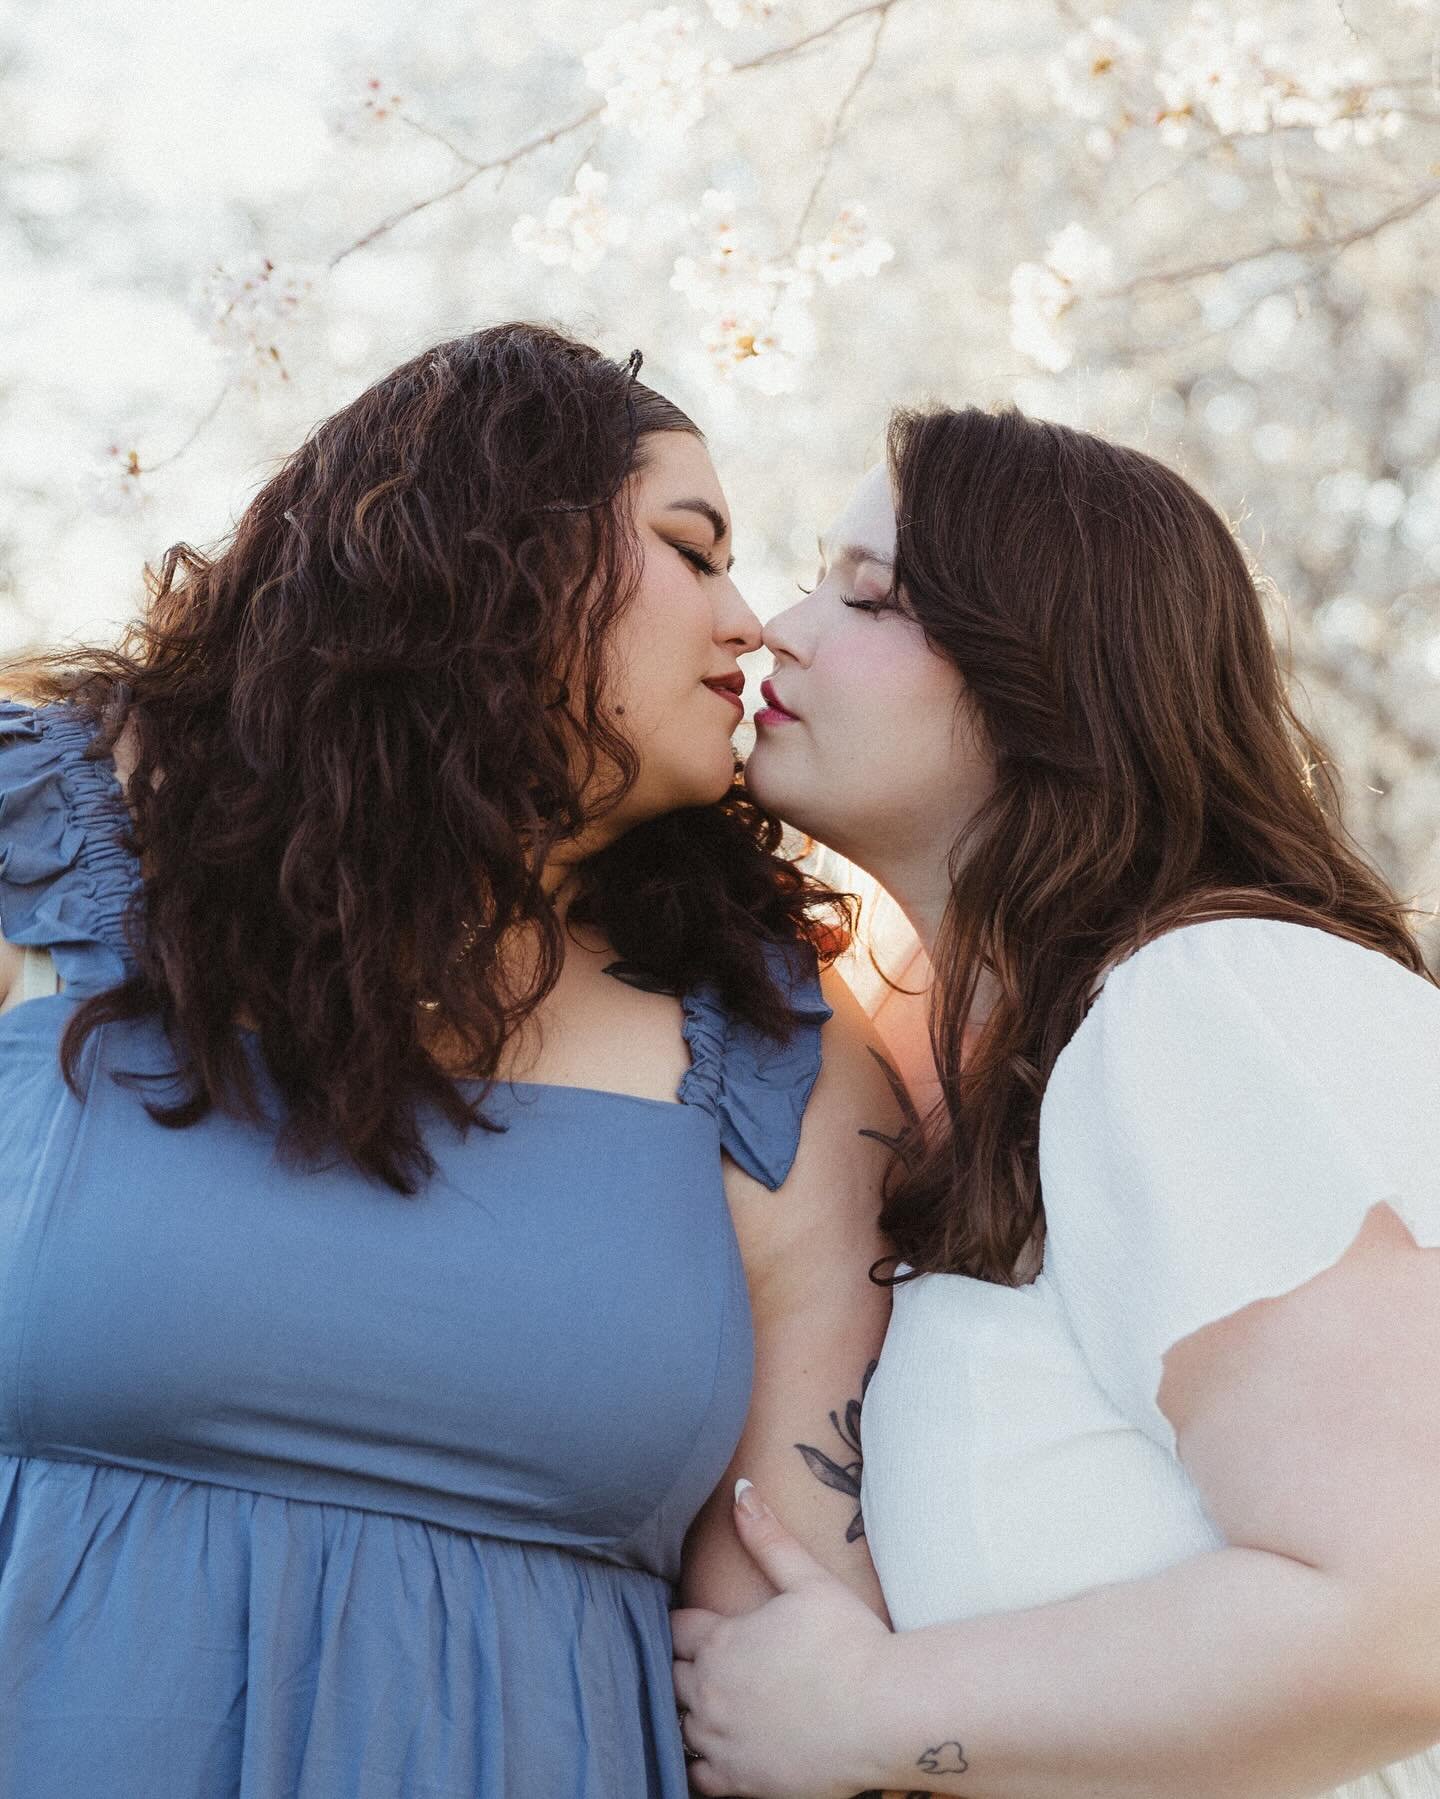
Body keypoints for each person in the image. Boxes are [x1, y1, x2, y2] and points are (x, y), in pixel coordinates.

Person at [0, 322, 899, 1798]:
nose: (752, 624)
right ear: (491, 548)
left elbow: (788, 1665)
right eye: (695, 550)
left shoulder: (777, 1053)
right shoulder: (37, 848)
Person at [672, 404, 1440, 1799]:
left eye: (870, 596)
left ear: (1054, 678)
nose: (778, 627)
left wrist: (869, 1711)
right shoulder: (989, 1082)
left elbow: (1408, 1619)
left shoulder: (1206, 1000)